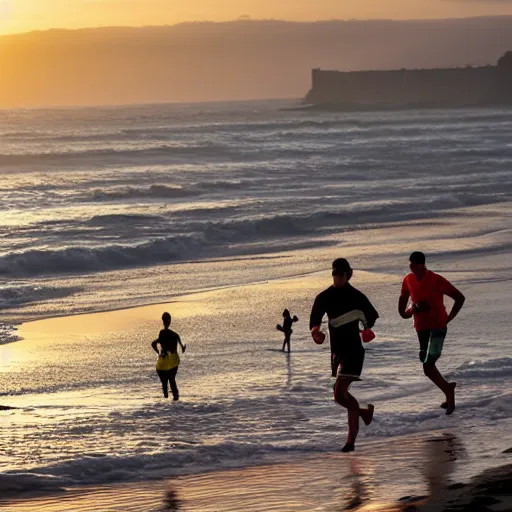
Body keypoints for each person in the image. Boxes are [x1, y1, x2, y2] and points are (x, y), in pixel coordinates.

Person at [310, 258, 379, 452]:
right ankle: (362, 418)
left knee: (340, 395)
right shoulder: (325, 296)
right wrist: (316, 333)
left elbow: (371, 316)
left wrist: (365, 327)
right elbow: (315, 318)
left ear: (347, 275)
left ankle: (352, 439)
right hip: (337, 351)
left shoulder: (357, 296)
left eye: (340, 275)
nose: (336, 279)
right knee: (341, 395)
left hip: (354, 351)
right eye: (334, 275)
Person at [398, 251, 465, 415]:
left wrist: (449, 318)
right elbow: (403, 305)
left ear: (422, 265)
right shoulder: (408, 279)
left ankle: (449, 392)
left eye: (414, 265)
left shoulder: (436, 279)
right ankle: (448, 388)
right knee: (427, 363)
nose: (412, 267)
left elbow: (460, 297)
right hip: (421, 328)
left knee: (428, 365)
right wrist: (409, 310)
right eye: (411, 265)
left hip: (438, 328)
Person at [151, 312, 186, 400]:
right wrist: (183, 347)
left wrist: (158, 352)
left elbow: (153, 344)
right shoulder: (175, 335)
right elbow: (182, 349)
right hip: (173, 362)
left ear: (163, 321)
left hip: (163, 361)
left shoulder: (162, 333)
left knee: (164, 381)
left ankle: (166, 396)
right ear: (170, 321)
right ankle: (175, 398)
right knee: (172, 380)